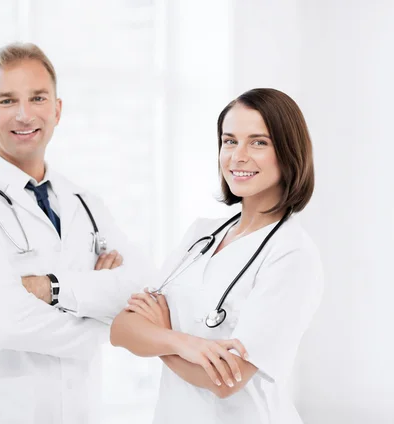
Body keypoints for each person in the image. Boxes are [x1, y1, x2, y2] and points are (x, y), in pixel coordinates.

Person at [0, 42, 149, 424]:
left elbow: (140, 287)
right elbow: (0, 321)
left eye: (38, 98)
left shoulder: (87, 203)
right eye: (7, 101)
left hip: (82, 411)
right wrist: (109, 323)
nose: (25, 114)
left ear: (57, 109)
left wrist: (50, 287)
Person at [110, 88, 324, 423]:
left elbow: (226, 380)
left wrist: (160, 335)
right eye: (229, 141)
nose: (238, 156)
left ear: (288, 152)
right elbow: (122, 328)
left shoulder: (291, 255)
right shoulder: (202, 234)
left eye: (258, 142)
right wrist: (181, 343)